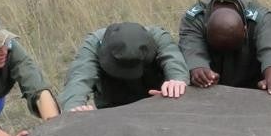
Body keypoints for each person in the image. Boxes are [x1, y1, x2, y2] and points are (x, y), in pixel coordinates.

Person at [59, 22, 189, 112]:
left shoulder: (158, 37)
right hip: (112, 102)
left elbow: (174, 60)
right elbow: (80, 77)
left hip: (153, 98)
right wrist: (74, 108)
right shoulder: (94, 43)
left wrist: (176, 82)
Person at [178, 0, 271, 96]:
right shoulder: (195, 18)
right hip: (209, 90)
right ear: (206, 29)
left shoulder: (261, 18)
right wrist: (199, 70)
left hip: (250, 85)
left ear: (245, 30)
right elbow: (192, 50)